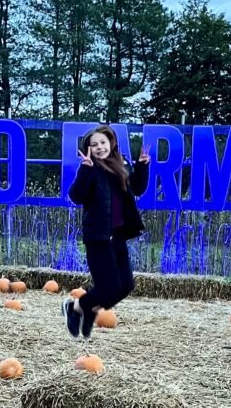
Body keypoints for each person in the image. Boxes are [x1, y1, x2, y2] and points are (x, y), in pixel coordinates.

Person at [62, 124, 150, 338]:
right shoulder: (90, 169)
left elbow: (137, 188)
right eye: (94, 144)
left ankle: (85, 309)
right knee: (109, 287)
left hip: (118, 235)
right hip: (98, 237)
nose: (100, 147)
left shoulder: (121, 165)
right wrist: (85, 169)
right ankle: (76, 308)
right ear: (89, 148)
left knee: (126, 285)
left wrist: (142, 166)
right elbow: (76, 196)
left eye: (103, 142)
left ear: (111, 143)